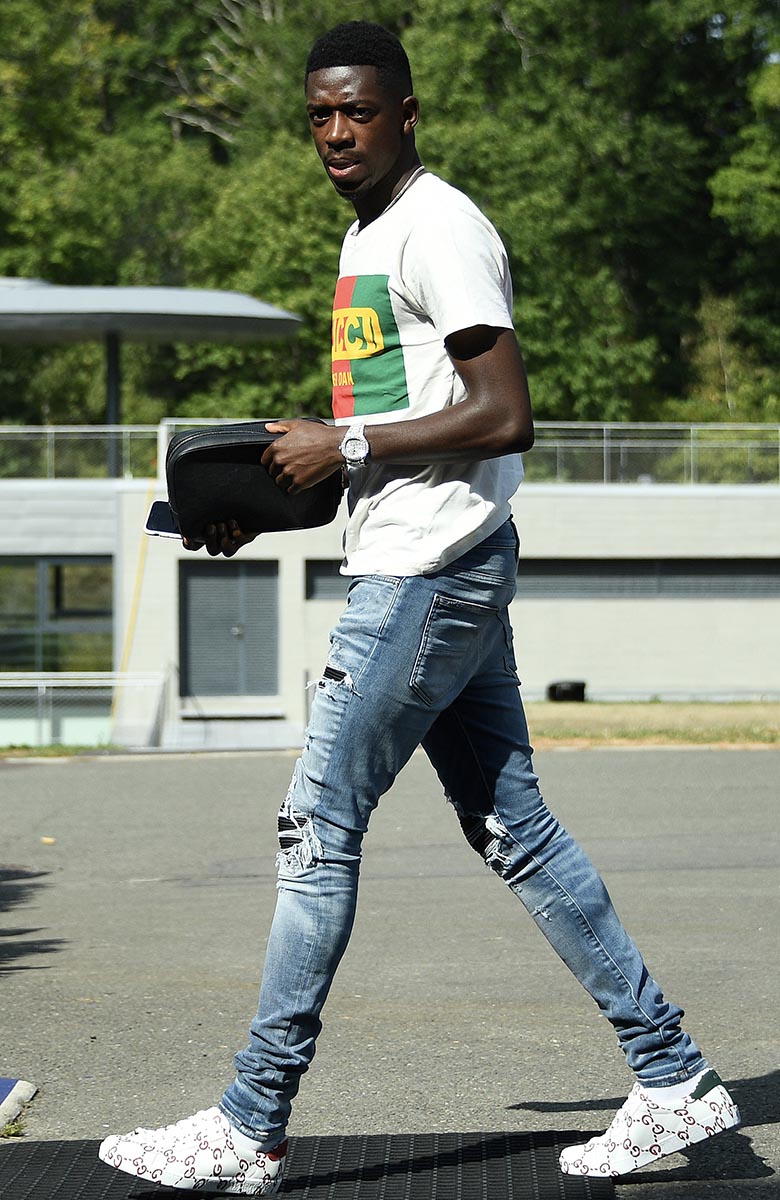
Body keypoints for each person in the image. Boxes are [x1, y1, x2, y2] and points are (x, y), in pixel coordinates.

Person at [99, 21, 740, 1194]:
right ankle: (677, 1082)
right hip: (434, 556)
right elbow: (401, 430)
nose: (335, 133)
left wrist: (339, 437)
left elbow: (504, 412)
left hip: (427, 577)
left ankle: (250, 1124)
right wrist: (271, 494)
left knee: (313, 830)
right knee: (516, 833)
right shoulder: (370, 235)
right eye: (318, 115)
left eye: (357, 111)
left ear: (405, 112)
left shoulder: (440, 226)